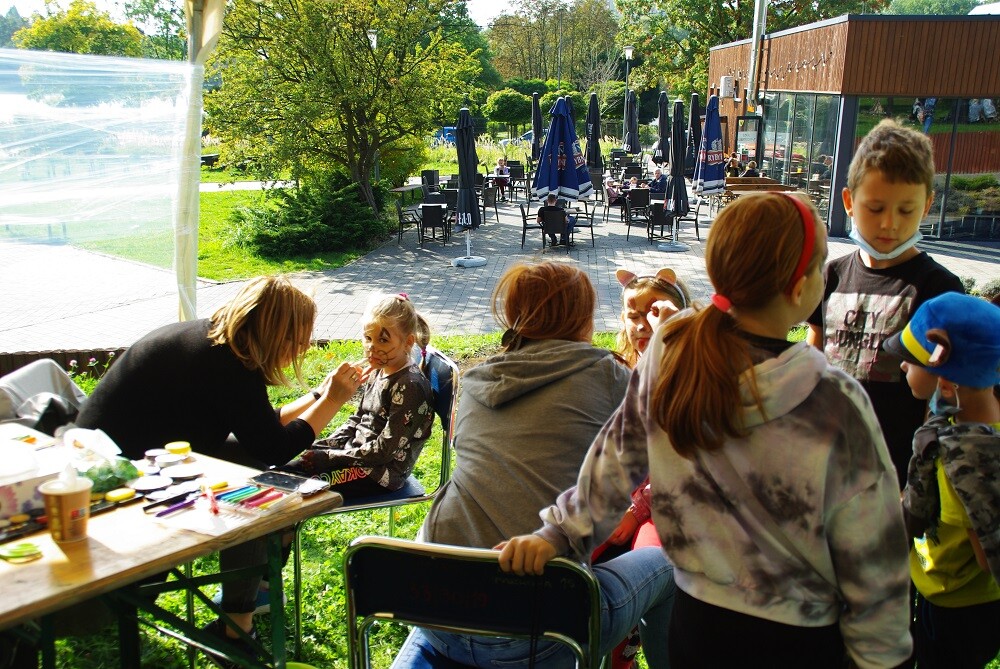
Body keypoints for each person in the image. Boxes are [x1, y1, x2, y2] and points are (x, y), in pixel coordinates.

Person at [500, 193, 912, 669]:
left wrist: (558, 534)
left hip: (698, 626)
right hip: (799, 640)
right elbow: (874, 548)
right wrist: (884, 655)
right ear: (801, 287)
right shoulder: (834, 399)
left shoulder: (670, 352)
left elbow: (616, 457)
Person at [393, 262, 676, 669]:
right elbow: (665, 433)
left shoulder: (475, 380)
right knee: (670, 562)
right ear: (583, 319)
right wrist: (673, 338)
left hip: (433, 609)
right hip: (538, 632)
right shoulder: (606, 374)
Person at [76, 276, 365, 664]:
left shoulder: (218, 344)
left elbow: (258, 425)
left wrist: (319, 395)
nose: (304, 349)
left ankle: (251, 593)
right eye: (299, 341)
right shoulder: (228, 363)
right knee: (260, 494)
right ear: (276, 332)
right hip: (110, 476)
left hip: (120, 455)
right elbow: (273, 447)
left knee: (260, 476)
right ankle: (236, 625)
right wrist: (332, 401)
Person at [806, 118, 964, 488]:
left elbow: (943, 392)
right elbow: (813, 354)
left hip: (895, 474)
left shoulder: (939, 288)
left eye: (906, 210)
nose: (890, 224)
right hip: (828, 461)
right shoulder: (831, 276)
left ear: (927, 205)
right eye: (876, 208)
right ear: (849, 201)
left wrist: (921, 481)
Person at [882, 293, 1000, 668]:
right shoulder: (959, 422)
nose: (903, 365)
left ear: (946, 385)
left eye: (912, 361)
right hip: (939, 587)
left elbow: (986, 555)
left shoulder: (968, 459)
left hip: (960, 606)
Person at [280, 293, 434, 497]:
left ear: (408, 342)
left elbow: (384, 451)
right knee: (283, 471)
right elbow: (357, 419)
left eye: (383, 340)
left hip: (378, 475)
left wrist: (329, 457)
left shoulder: (410, 386)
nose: (372, 347)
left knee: (296, 484)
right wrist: (322, 446)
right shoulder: (378, 369)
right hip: (356, 457)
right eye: (368, 338)